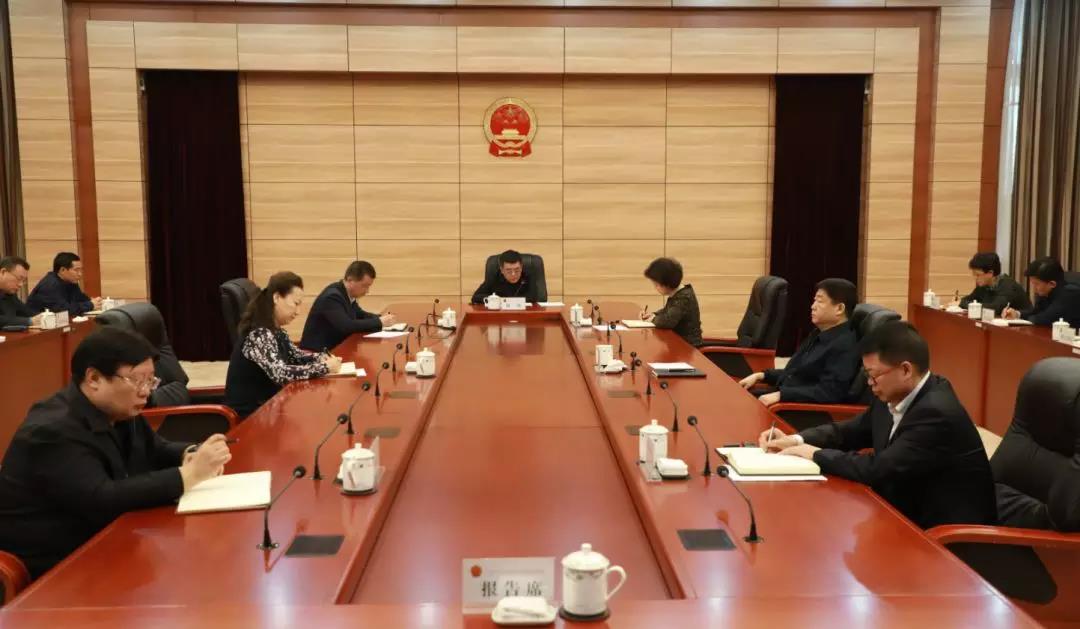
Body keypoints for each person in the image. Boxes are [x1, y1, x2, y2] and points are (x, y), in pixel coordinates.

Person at [0, 327, 233, 579]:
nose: (146, 392)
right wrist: (187, 475)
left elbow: (156, 449)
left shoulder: (119, 408)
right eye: (137, 381)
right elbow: (102, 499)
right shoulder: (52, 431)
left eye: (150, 381)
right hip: (55, 567)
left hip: (106, 540)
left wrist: (194, 452)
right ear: (94, 379)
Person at [758, 321, 996, 529]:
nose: (870, 383)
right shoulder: (893, 393)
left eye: (873, 375)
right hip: (901, 510)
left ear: (905, 370)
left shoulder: (936, 412)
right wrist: (797, 439)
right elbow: (851, 431)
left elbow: (880, 468)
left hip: (942, 537)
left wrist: (815, 455)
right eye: (867, 376)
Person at [225, 271, 341, 418]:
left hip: (270, 407)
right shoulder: (259, 333)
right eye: (295, 304)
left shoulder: (276, 330)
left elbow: (296, 357)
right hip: (251, 416)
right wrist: (324, 367)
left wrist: (322, 357)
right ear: (277, 297)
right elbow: (280, 373)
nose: (298, 312)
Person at [739, 278, 859, 406]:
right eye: (814, 301)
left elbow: (829, 392)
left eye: (820, 301)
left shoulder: (845, 345)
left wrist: (781, 395)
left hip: (798, 409)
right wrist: (762, 375)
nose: (813, 306)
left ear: (839, 308)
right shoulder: (818, 333)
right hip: (785, 396)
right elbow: (795, 373)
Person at [299, 260, 395, 352]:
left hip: (332, 349)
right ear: (350, 279)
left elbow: (360, 314)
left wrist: (380, 318)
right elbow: (346, 326)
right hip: (315, 353)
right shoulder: (332, 297)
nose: (367, 291)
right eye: (364, 286)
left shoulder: (345, 293)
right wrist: (379, 322)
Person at [640, 257, 703, 346]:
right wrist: (653, 315)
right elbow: (668, 311)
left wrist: (652, 319)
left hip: (689, 347)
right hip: (678, 342)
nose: (655, 288)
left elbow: (667, 321)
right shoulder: (679, 294)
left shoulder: (684, 297)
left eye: (656, 285)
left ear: (667, 283)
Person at [1003, 256, 1080, 327]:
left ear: (1052, 284)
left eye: (1036, 284)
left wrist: (1028, 319)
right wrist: (1017, 314)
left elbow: (1045, 319)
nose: (1034, 288)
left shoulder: (1070, 294)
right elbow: (1036, 312)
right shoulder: (1045, 293)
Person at [948, 251, 1031, 315]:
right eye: (974, 275)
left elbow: (994, 309)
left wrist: (962, 303)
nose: (975, 278)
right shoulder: (983, 286)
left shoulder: (1008, 286)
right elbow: (970, 299)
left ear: (990, 273)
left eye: (978, 275)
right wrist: (960, 301)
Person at [26, 252, 102, 316]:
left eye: (80, 270)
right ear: (62, 270)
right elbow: (63, 311)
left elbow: (81, 299)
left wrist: (95, 302)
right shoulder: (50, 285)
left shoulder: (71, 281)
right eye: (76, 270)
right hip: (37, 325)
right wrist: (90, 305)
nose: (80, 274)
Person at [471, 250, 541, 304]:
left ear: (521, 267)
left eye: (517, 270)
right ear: (502, 270)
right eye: (509, 271)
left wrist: (505, 300)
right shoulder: (495, 276)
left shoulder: (528, 274)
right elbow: (476, 297)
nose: (513, 274)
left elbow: (533, 297)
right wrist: (493, 299)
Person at [0, 256, 44, 328]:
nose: (20, 284)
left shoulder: (9, 293)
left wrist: (46, 316)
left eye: (23, 281)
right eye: (19, 278)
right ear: (3, 272)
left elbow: (25, 311)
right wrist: (29, 321)